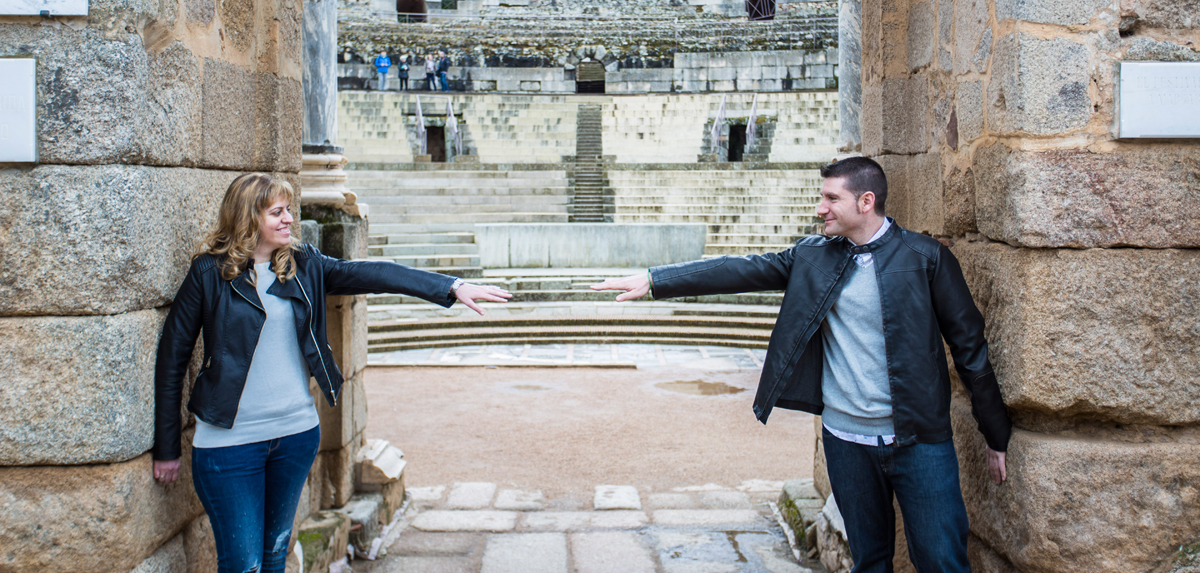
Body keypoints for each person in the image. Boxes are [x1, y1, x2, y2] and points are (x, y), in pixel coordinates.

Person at [593, 156, 1010, 572]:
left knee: (942, 561)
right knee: (870, 562)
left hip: (920, 440)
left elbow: (969, 347)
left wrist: (995, 432)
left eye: (831, 197)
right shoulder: (814, 256)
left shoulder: (926, 257)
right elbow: (740, 270)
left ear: (866, 201)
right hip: (846, 442)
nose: (820, 208)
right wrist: (654, 280)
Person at [152, 173, 511, 573]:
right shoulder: (208, 274)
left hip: (294, 436)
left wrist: (450, 286)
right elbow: (172, 361)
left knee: (275, 555)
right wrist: (167, 447)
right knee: (242, 564)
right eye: (277, 212)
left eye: (288, 209)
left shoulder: (305, 266)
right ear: (247, 218)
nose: (289, 219)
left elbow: (376, 273)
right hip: (228, 445)